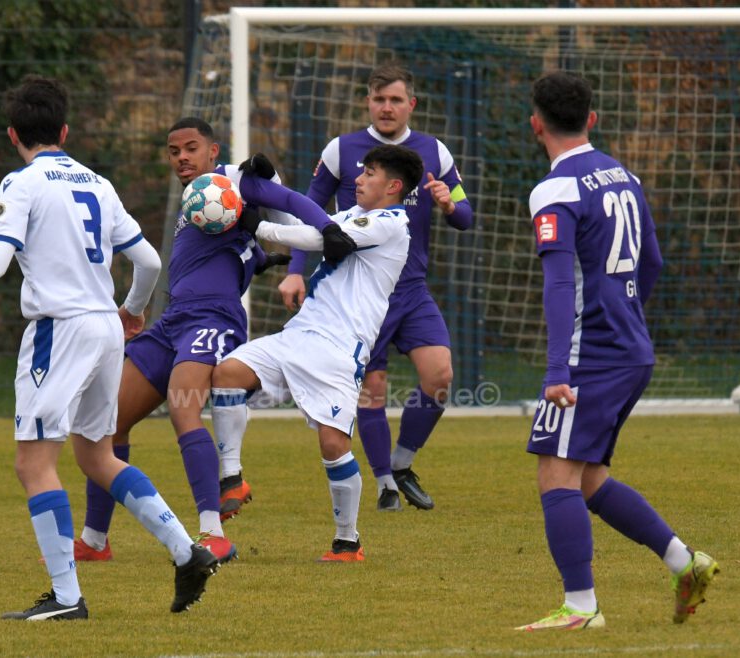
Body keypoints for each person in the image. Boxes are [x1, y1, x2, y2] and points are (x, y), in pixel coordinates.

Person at [0, 75, 219, 619]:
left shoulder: (20, 183)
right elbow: (148, 262)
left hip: (59, 330)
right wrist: (134, 310)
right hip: (104, 328)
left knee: (33, 464)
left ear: (12, 134)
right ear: (65, 129)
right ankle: (186, 550)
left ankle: (68, 599)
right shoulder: (99, 182)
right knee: (96, 455)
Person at [74, 118, 355, 564]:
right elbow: (226, 247)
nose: (182, 157)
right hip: (171, 321)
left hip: (214, 319)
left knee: (183, 406)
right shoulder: (198, 198)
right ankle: (93, 541)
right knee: (106, 422)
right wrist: (258, 259)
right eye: (173, 151)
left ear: (212, 150)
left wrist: (327, 229)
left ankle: (212, 533)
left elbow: (288, 200)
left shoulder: (236, 179)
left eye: (191, 148)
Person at [516, 71, 719, 631]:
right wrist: (627, 317)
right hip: (630, 348)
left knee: (555, 475)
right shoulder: (622, 176)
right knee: (587, 480)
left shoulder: (556, 188)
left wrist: (559, 368)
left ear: (536, 124)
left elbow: (559, 284)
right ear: (592, 119)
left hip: (590, 355)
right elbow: (650, 260)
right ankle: (685, 563)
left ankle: (580, 608)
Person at [276, 62, 473, 511]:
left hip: (411, 289)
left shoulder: (434, 152)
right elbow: (309, 209)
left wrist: (448, 204)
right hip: (359, 294)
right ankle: (385, 484)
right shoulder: (341, 150)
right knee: (373, 387)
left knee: (439, 376)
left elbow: (466, 215)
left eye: (396, 100)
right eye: (379, 99)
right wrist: (294, 270)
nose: (387, 108)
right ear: (368, 102)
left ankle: (402, 463)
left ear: (411, 105)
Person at [211, 144, 420, 561]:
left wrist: (255, 225)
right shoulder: (350, 217)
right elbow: (309, 223)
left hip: (338, 348)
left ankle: (348, 541)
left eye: (371, 173)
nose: (358, 179)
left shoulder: (391, 224)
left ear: (394, 186)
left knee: (332, 443)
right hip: (301, 333)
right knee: (228, 373)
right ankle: (231, 477)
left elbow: (313, 236)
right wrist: (271, 185)